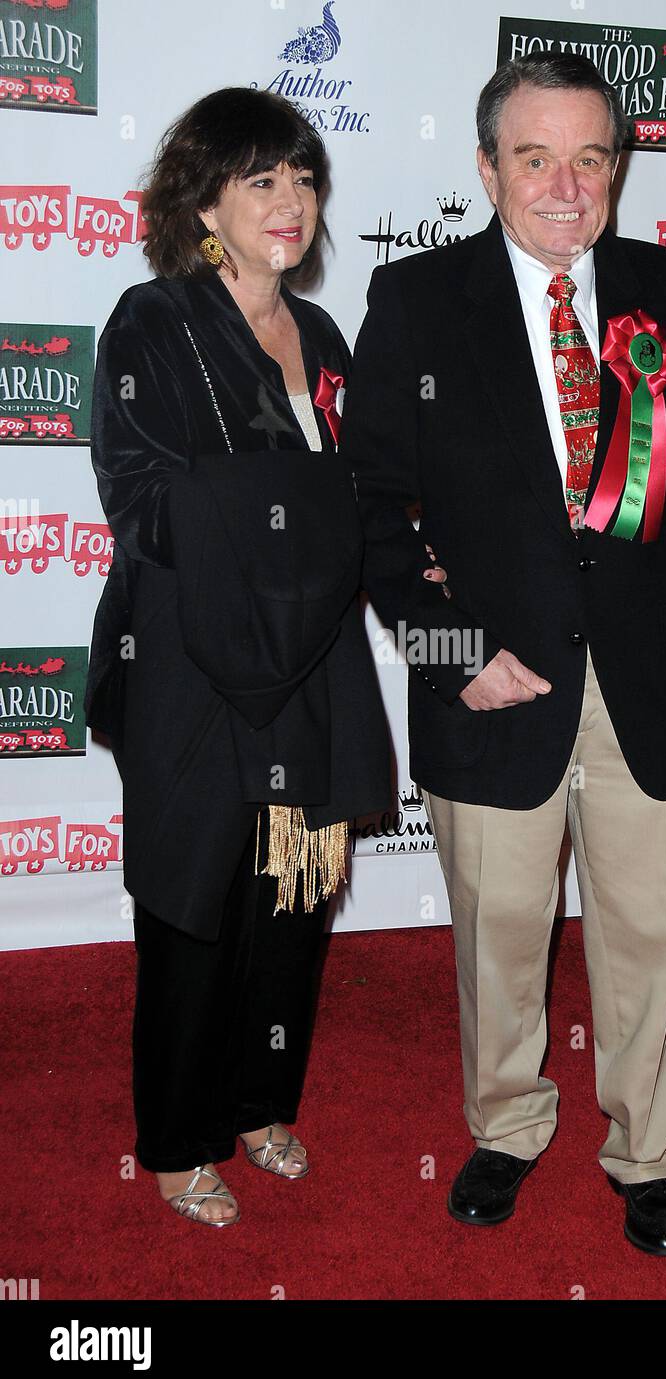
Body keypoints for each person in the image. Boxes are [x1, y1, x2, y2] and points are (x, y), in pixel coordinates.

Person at [340, 52, 666, 1254]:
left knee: (644, 932)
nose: (565, 187)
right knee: (499, 931)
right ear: (487, 170)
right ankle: (507, 1123)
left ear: (614, 168)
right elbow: (367, 510)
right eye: (534, 159)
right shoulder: (416, 300)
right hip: (492, 687)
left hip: (646, 679)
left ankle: (646, 1149)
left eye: (588, 159)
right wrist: (451, 652)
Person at [85, 87, 392, 1227]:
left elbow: (365, 493)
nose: (290, 200)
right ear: (203, 203)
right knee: (193, 904)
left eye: (302, 177)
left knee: (291, 902)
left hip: (311, 661)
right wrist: (307, 511)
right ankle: (176, 1139)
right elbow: (145, 500)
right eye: (260, 179)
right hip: (192, 662)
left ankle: (261, 1105)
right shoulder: (152, 322)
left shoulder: (324, 336)